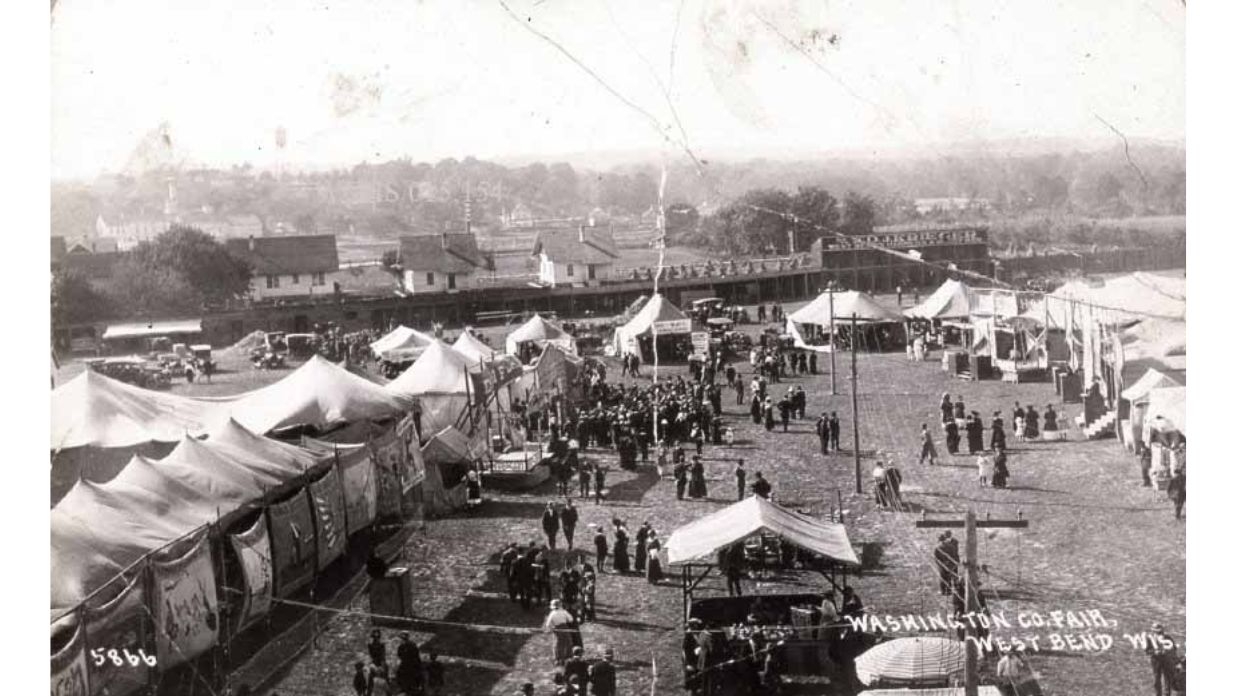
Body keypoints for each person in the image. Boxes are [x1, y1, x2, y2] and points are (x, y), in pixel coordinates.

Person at [1145, 622, 1178, 696]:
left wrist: (1167, 651)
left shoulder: (1167, 637)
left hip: (1166, 660)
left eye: (1158, 630)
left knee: (1167, 679)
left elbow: (1174, 648)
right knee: (1156, 679)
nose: (1157, 631)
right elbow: (1147, 650)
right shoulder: (1149, 638)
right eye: (1155, 630)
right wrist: (1154, 652)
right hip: (1155, 661)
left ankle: (1167, 694)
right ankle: (1158, 694)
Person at [544, 600, 577, 666]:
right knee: (568, 642)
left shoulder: (552, 613)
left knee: (558, 644)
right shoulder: (564, 612)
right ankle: (568, 657)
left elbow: (548, 624)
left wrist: (552, 628)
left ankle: (558, 659)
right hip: (565, 627)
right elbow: (571, 619)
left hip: (557, 629)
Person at [934, 532, 959, 597]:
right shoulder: (951, 546)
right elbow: (955, 556)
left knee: (944, 578)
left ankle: (945, 591)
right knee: (952, 577)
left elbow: (936, 559)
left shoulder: (937, 548)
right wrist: (953, 564)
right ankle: (953, 590)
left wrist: (941, 565)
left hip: (943, 566)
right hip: (951, 564)